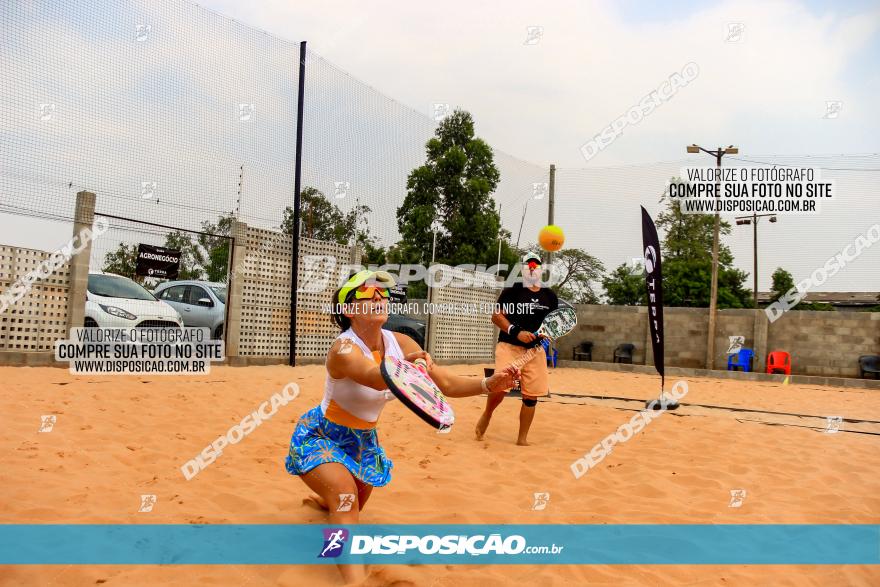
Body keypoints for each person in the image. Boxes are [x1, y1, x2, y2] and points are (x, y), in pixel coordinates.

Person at [285, 269, 518, 584]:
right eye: (368, 294)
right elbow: (376, 375)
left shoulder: (402, 341)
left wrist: (490, 383)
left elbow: (446, 384)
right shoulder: (343, 349)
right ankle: (354, 579)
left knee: (348, 502)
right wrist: (415, 366)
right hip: (323, 436)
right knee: (345, 498)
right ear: (349, 309)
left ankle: (325, 502)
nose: (380, 297)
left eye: (382, 294)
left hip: (363, 443)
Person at [476, 252, 558, 445]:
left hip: (535, 351)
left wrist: (546, 336)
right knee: (501, 385)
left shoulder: (549, 296)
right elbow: (496, 316)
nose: (531, 267)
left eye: (535, 264)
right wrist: (516, 331)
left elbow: (554, 324)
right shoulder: (513, 290)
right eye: (528, 264)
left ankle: (522, 439)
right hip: (509, 345)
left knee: (531, 396)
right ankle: (488, 413)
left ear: (541, 268)